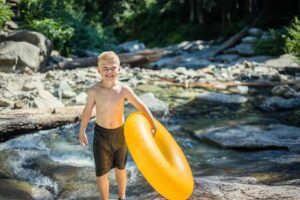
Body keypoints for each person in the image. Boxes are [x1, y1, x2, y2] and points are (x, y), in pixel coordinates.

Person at [79, 51, 157, 200]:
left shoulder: (124, 89)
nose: (109, 72)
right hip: (101, 136)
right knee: (101, 173)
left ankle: (122, 197)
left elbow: (140, 105)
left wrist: (152, 123)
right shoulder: (94, 91)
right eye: (105, 68)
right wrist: (82, 131)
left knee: (120, 169)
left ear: (119, 69)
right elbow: (87, 111)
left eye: (113, 68)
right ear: (98, 70)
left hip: (120, 135)